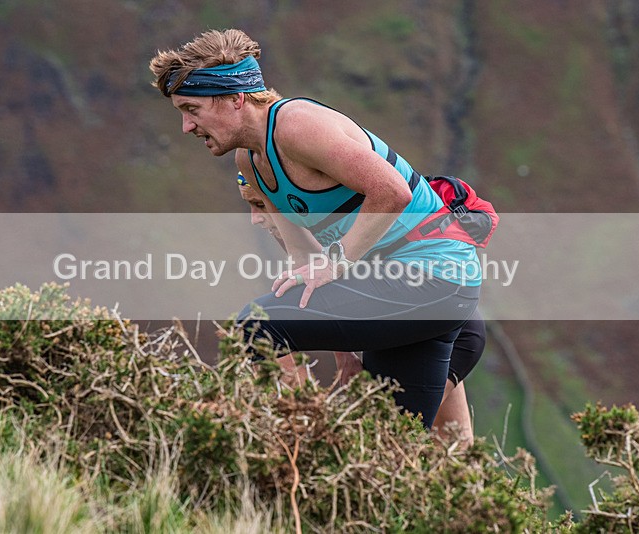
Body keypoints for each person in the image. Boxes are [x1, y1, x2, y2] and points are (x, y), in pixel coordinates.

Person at [150, 29, 482, 429]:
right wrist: (346, 349)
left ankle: (275, 437)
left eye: (192, 109)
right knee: (390, 435)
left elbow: (392, 192)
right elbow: (306, 259)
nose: (186, 126)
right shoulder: (249, 162)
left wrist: (337, 261)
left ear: (235, 98)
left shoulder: (296, 126)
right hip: (408, 287)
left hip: (435, 275)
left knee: (256, 326)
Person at [238, 172, 483, 444]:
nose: (255, 218)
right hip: (448, 317)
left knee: (398, 442)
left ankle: (310, 442)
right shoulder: (301, 218)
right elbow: (329, 293)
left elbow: (329, 288)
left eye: (260, 204)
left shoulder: (315, 213)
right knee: (435, 444)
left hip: (447, 321)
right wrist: (345, 356)